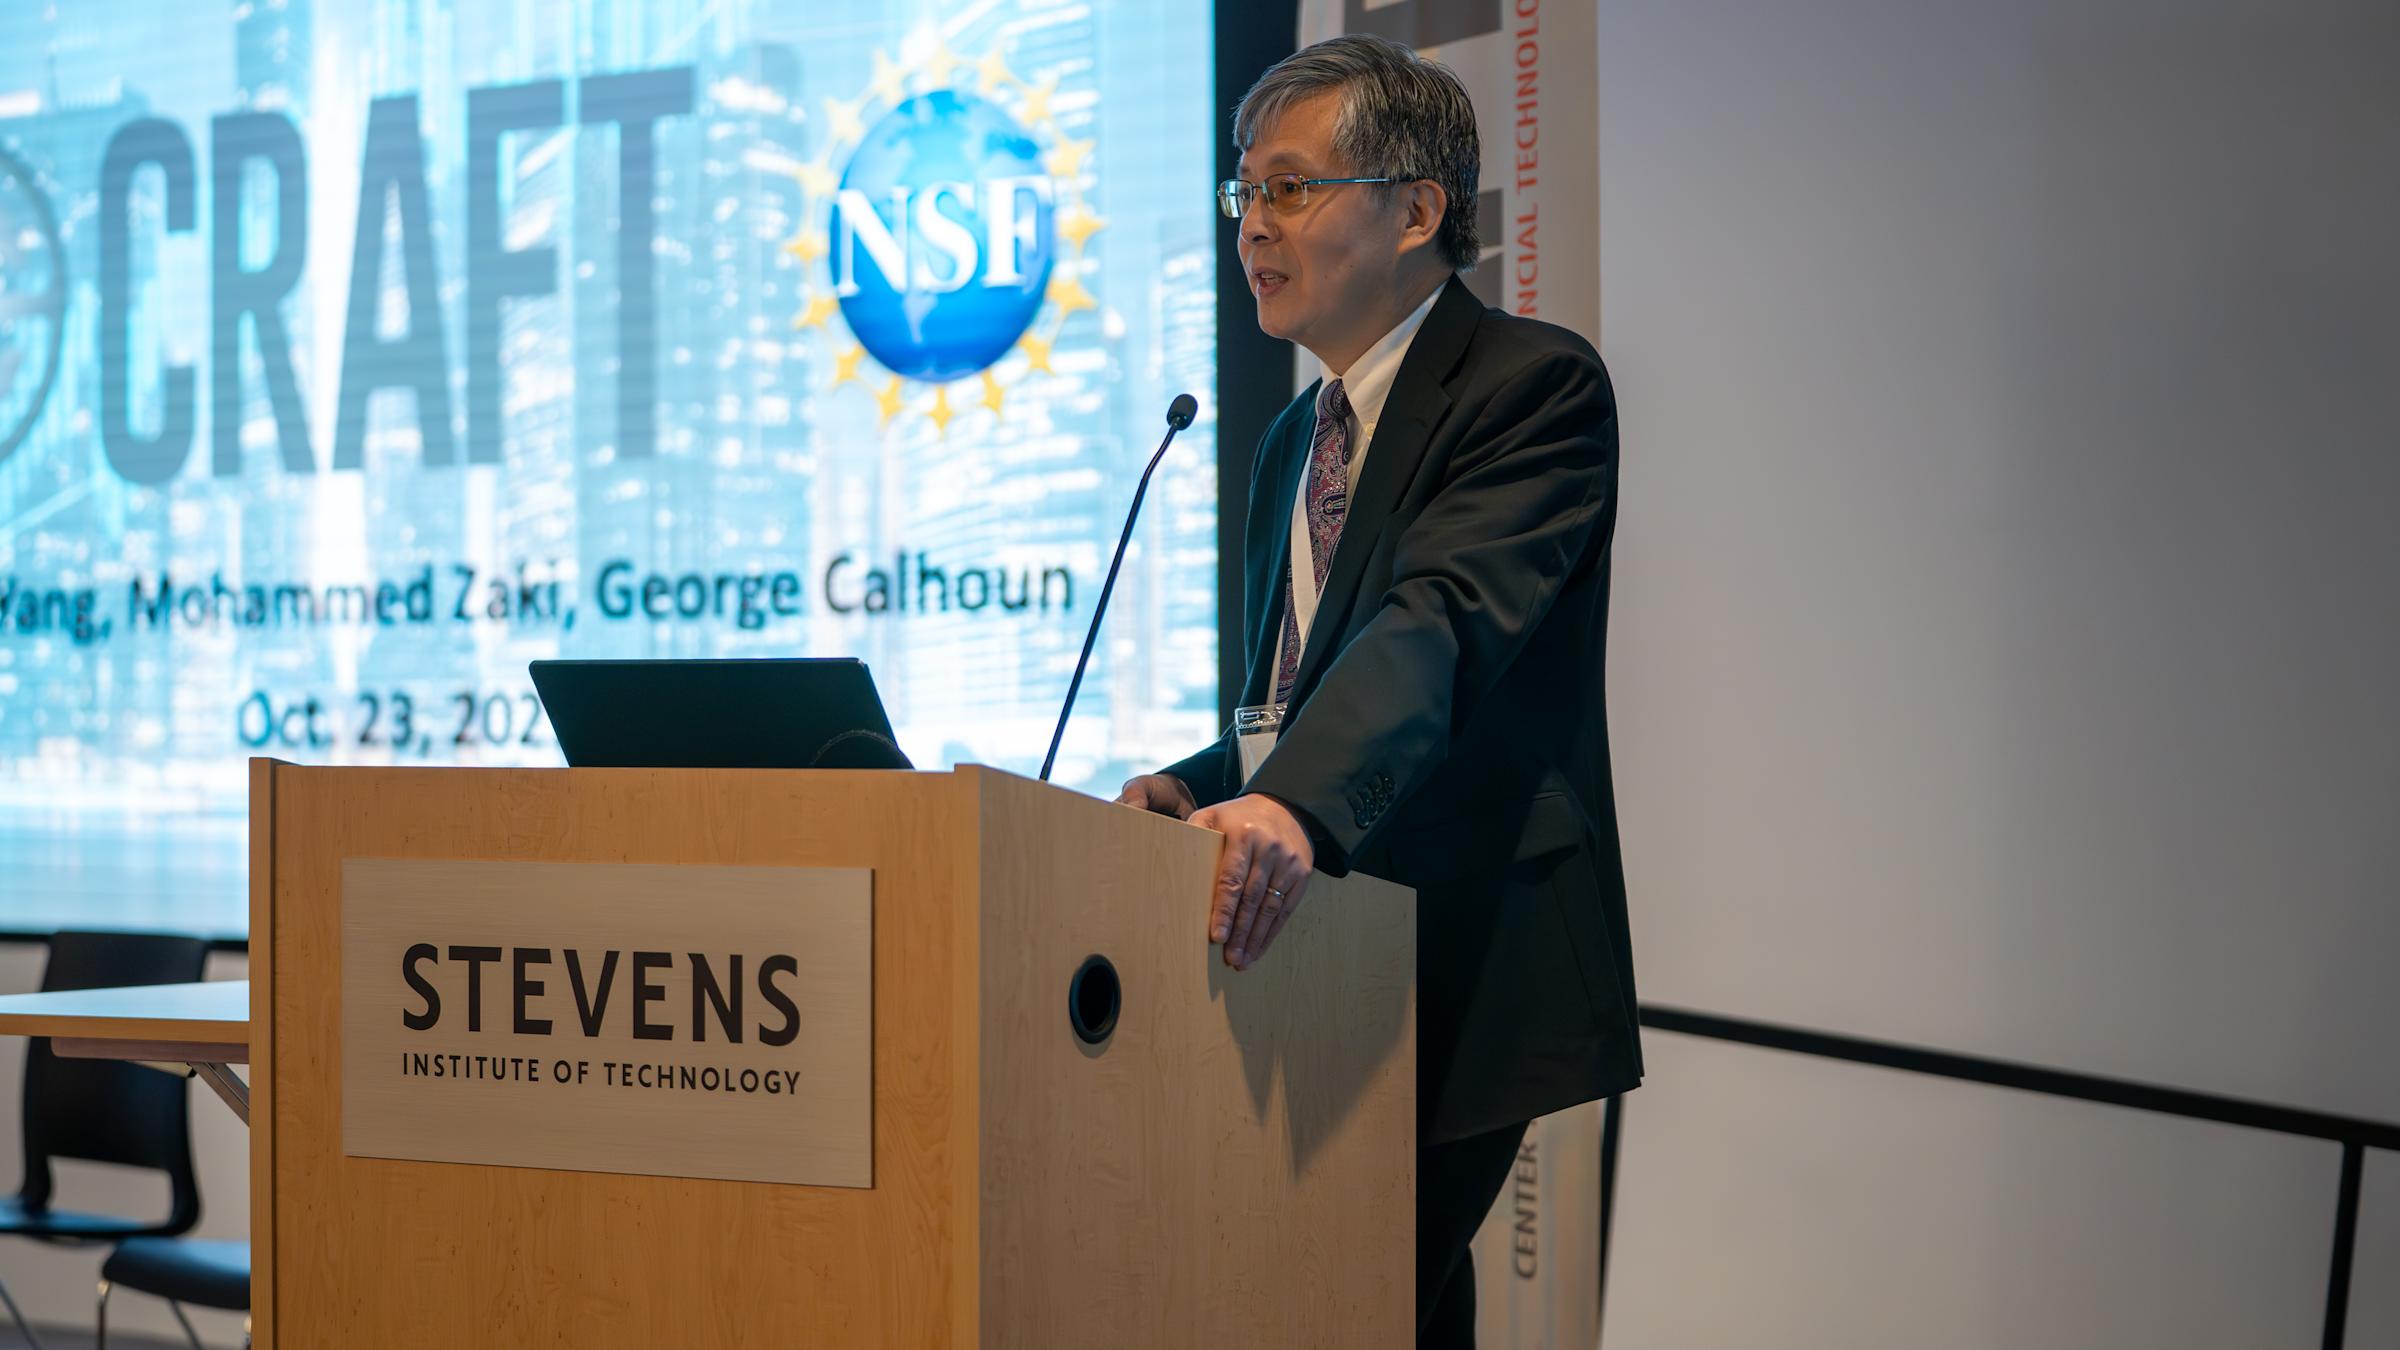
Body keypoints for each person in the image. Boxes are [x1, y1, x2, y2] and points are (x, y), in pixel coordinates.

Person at [1112, 32, 1640, 1349]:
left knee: (1337, 1290)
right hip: (1319, 952)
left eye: (1291, 188)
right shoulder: (1294, 437)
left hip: (1466, 951)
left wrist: (1290, 809)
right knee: (1385, 1300)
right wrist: (1206, 783)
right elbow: (1296, 705)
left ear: (1417, 210)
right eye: (1245, 193)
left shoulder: (1532, 385)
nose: (1253, 226)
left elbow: (1438, 629)